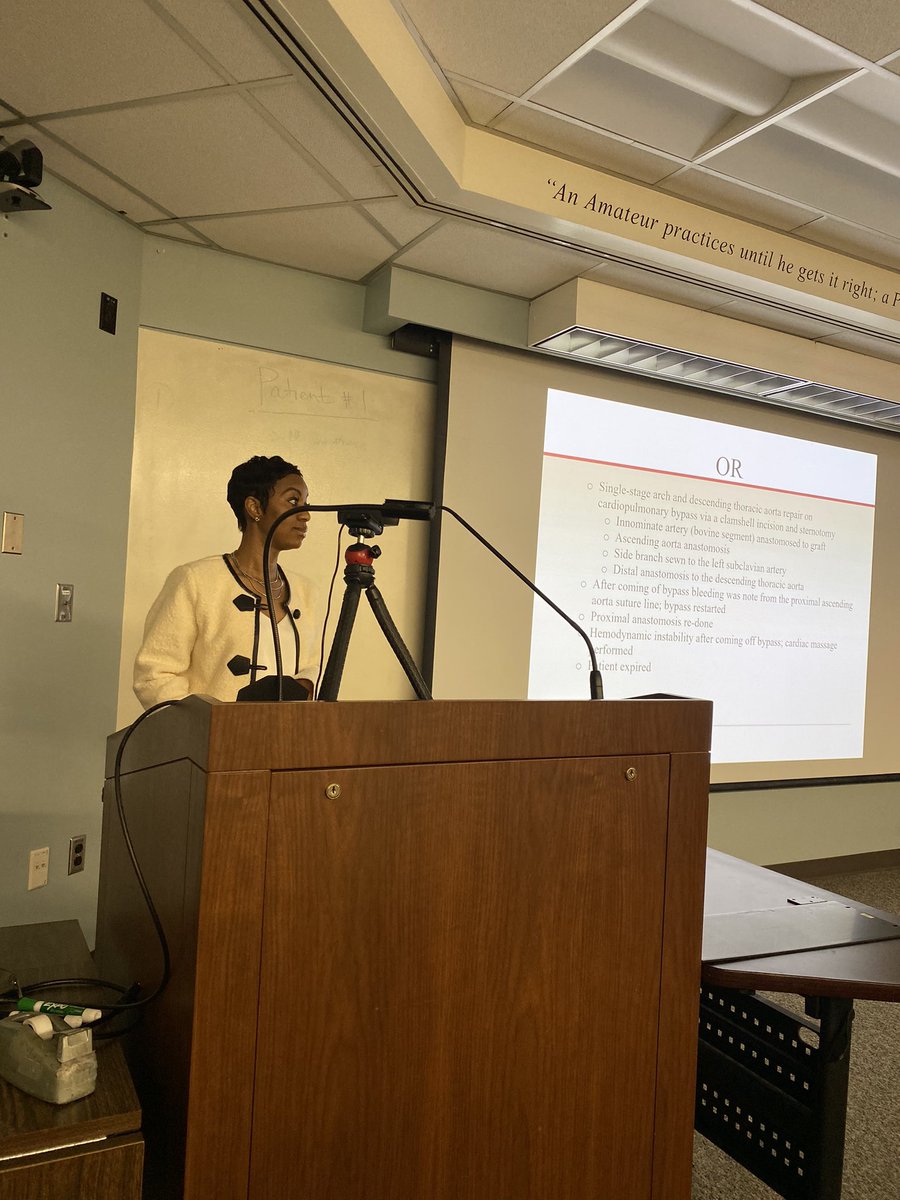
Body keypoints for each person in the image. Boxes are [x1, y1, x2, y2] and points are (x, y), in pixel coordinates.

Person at [133, 455, 322, 707]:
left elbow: (312, 668)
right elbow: (154, 676)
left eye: (306, 502)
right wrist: (209, 725)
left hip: (288, 741)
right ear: (255, 508)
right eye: (293, 501)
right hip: (214, 742)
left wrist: (306, 685)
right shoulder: (195, 581)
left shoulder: (306, 591)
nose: (305, 515)